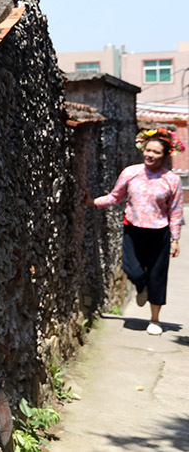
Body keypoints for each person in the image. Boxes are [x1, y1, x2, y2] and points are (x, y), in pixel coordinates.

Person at [86, 127, 184, 335]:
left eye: (156, 152)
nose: (150, 155)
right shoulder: (131, 173)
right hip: (133, 229)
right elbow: (115, 197)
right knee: (132, 269)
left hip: (160, 232)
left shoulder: (172, 180)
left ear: (166, 156)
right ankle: (142, 286)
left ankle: (155, 320)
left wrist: (175, 239)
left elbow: (175, 211)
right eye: (148, 150)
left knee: (157, 275)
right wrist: (93, 202)